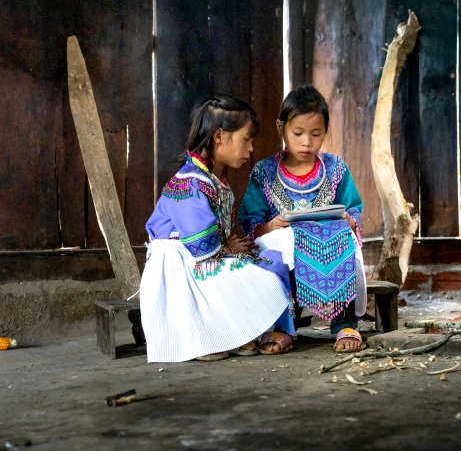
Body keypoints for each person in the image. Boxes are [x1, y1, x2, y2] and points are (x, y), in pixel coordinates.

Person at [137, 95, 295, 363]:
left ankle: (232, 333)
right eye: (246, 139)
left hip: (201, 260)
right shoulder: (189, 182)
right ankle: (205, 336)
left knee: (273, 262)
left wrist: (228, 248)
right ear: (220, 136)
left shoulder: (211, 180)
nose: (251, 148)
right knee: (262, 271)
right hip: (181, 270)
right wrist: (228, 249)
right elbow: (202, 247)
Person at [239, 85, 366, 354]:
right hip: (285, 253)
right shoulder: (264, 172)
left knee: (342, 242)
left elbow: (353, 210)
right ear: (281, 127)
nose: (307, 142)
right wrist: (268, 226)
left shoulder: (335, 168)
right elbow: (251, 221)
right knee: (272, 257)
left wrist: (348, 221)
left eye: (316, 134)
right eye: (298, 133)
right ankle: (281, 327)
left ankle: (344, 323)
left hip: (326, 250)